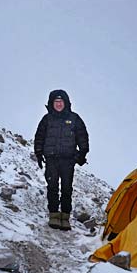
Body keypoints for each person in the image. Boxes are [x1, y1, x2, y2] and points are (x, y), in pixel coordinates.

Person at [34, 89, 89, 231]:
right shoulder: (46, 119)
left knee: (66, 188)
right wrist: (39, 154)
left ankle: (65, 217)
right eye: (56, 102)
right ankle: (53, 215)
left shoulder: (74, 118)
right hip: (51, 159)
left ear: (66, 103)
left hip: (68, 161)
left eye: (61, 101)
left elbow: (82, 137)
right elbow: (39, 137)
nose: (58, 104)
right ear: (51, 103)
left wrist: (81, 154)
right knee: (52, 187)